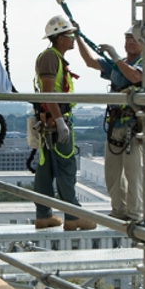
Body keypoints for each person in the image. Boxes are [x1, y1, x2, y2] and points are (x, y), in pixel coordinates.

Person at [28, 15, 93, 231]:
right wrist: (59, 120)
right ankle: (73, 215)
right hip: (56, 122)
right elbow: (48, 92)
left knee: (46, 169)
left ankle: (44, 214)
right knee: (65, 167)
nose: (73, 38)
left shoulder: (54, 57)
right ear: (60, 38)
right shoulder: (51, 57)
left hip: (51, 122)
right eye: (70, 35)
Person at [94, 27, 145, 221]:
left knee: (133, 175)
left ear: (144, 43)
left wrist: (115, 56)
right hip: (115, 124)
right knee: (112, 174)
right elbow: (90, 62)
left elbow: (135, 77)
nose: (130, 42)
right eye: (127, 39)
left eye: (134, 39)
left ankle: (135, 214)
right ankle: (119, 210)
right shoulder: (119, 64)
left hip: (133, 127)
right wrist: (78, 36)